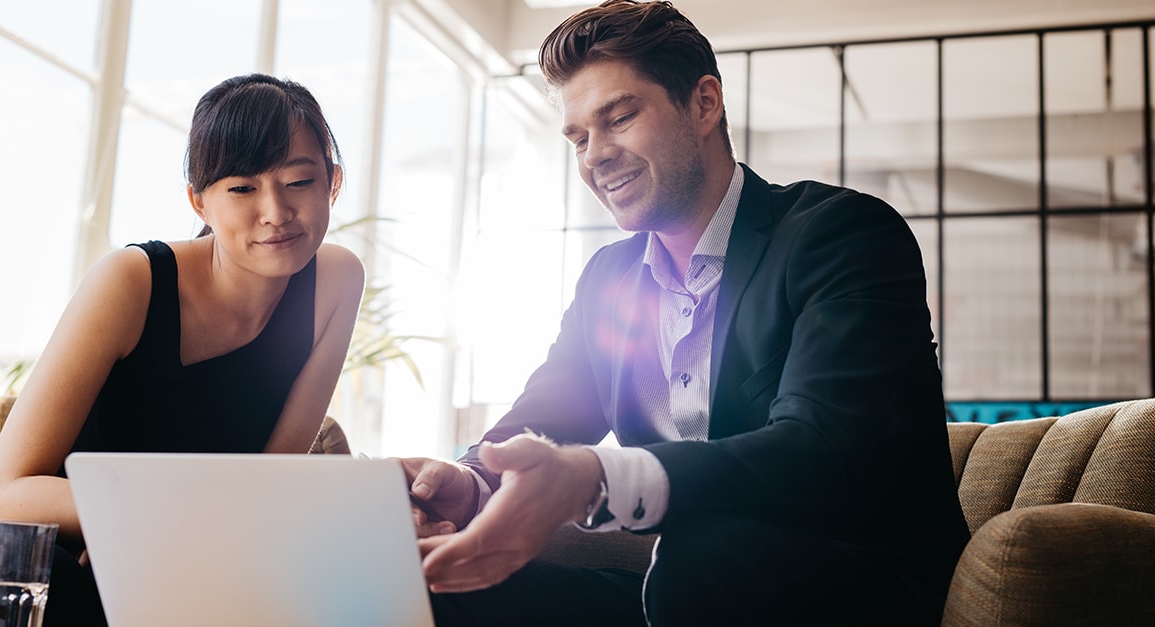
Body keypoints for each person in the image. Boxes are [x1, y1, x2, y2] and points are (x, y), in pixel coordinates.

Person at [401, 1, 970, 625]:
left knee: (705, 555)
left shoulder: (841, 236)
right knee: (428, 582)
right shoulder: (607, 279)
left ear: (704, 103)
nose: (594, 156)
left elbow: (822, 450)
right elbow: (548, 415)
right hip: (686, 590)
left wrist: (596, 478)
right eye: (579, 138)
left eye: (617, 118)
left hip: (857, 584)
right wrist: (471, 479)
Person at [0, 73, 364, 626]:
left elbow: (270, 485)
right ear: (201, 202)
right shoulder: (131, 281)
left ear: (332, 183)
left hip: (163, 541)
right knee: (75, 598)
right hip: (16, 548)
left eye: (299, 181)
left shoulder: (336, 281)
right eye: (242, 188)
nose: (276, 211)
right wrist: (131, 524)